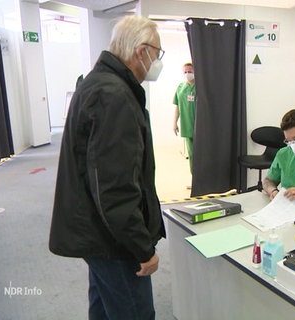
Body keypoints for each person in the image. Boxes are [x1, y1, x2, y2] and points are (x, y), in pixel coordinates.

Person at [49, 16, 165, 320]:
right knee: (135, 313)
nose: (158, 61)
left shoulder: (97, 84)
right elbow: (116, 189)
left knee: (103, 308)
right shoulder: (115, 97)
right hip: (114, 242)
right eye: (158, 53)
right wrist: (143, 249)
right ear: (141, 51)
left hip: (97, 233)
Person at [172, 62, 196, 173]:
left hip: (199, 126)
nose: (187, 74)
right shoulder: (181, 87)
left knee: (201, 153)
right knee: (191, 155)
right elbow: (177, 106)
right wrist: (174, 123)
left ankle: (203, 180)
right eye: (185, 72)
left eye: (190, 71)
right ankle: (194, 179)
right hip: (187, 125)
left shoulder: (200, 87)